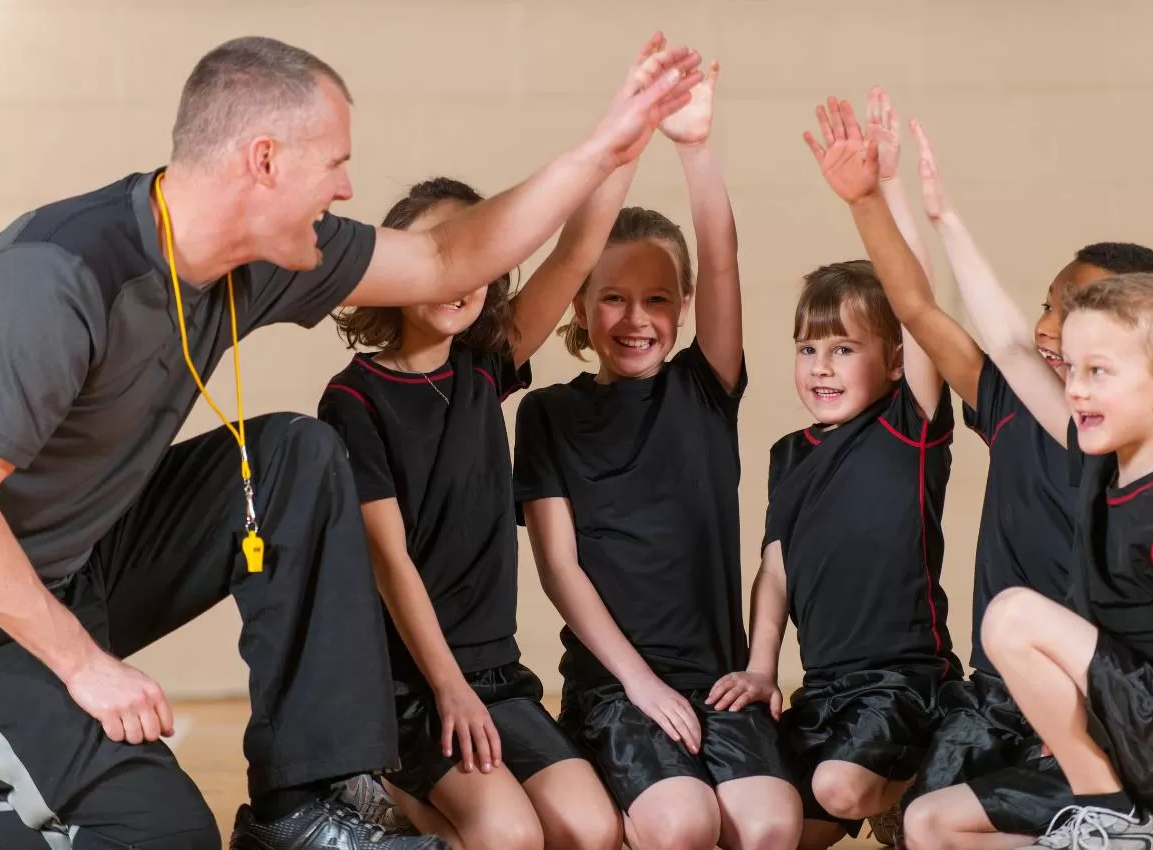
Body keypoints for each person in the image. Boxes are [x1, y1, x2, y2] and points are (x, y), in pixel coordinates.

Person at [0, 33, 702, 850]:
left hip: (82, 572)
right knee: (162, 833)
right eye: (334, 164)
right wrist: (85, 667)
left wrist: (606, 147)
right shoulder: (59, 276)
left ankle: (296, 806)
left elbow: (446, 256)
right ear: (264, 161)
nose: (348, 186)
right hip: (11, 607)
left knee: (292, 455)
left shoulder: (255, 261)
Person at [317, 36, 669, 845]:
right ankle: (374, 787)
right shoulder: (354, 401)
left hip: (497, 674)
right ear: (401, 270)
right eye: (443, 257)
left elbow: (578, 246)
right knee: (509, 836)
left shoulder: (487, 369)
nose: (463, 279)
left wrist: (627, 135)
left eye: (480, 258)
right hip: (409, 681)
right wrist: (446, 689)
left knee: (590, 829)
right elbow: (389, 563)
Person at [812, 89, 1153, 849]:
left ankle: (1114, 812)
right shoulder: (1054, 419)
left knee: (1015, 614)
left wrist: (1099, 729)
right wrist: (902, 204)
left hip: (1142, 728)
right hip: (1032, 703)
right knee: (928, 821)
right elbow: (974, 330)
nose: (1061, 349)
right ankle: (1106, 821)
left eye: (1095, 358)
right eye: (1055, 320)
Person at [514, 63, 802, 850]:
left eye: (657, 299)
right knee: (683, 821)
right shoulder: (548, 414)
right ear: (580, 306)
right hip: (617, 688)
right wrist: (638, 685)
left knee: (771, 820)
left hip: (716, 683)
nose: (635, 318)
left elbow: (723, 253)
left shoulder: (704, 389)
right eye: (613, 297)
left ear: (683, 304)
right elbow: (559, 569)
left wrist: (694, 148)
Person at [744, 92, 958, 850]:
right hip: (822, 687)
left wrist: (882, 191)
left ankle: (923, 776)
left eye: (844, 348)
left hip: (907, 682)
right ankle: (887, 789)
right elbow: (775, 568)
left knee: (837, 784)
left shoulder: (910, 427)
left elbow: (919, 304)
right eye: (810, 348)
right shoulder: (787, 455)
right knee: (765, 828)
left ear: (894, 360)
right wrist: (763, 667)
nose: (822, 366)